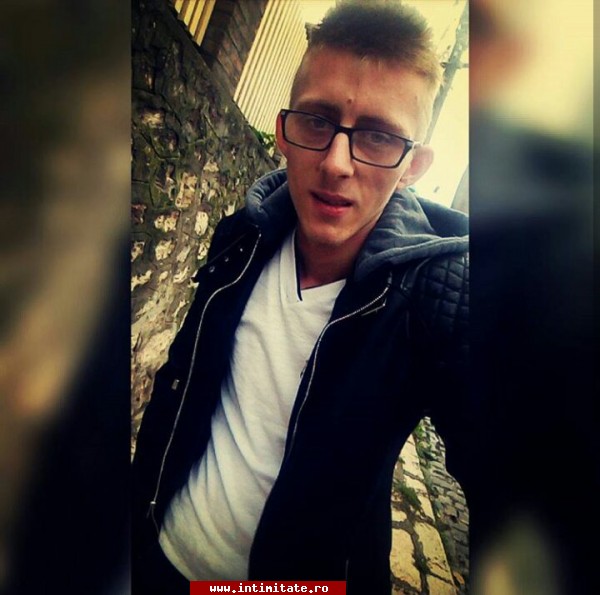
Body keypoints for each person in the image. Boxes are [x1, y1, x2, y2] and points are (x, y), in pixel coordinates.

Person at [132, 3, 469, 594]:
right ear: (283, 131)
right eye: (316, 121)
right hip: (158, 552)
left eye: (378, 136)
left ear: (413, 166)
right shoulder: (244, 236)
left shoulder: (433, 301)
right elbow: (181, 384)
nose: (336, 164)